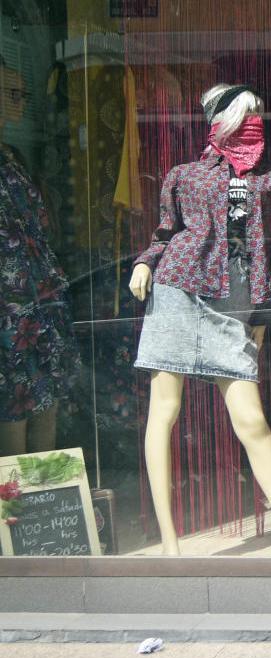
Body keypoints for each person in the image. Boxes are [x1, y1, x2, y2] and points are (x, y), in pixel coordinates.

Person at [129, 84, 271, 555]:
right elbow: (165, 232)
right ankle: (170, 546)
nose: (252, 122)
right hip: (177, 291)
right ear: (218, 121)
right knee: (164, 413)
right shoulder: (184, 176)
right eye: (242, 114)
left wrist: (264, 314)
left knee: (251, 421)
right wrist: (145, 262)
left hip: (233, 303)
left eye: (257, 114)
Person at [0, 56, 80, 455]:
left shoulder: (12, 155)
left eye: (23, 92)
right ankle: (14, 511)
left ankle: (43, 507)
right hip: (9, 306)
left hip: (38, 301)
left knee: (44, 400)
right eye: (12, 93)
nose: (21, 101)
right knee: (14, 407)